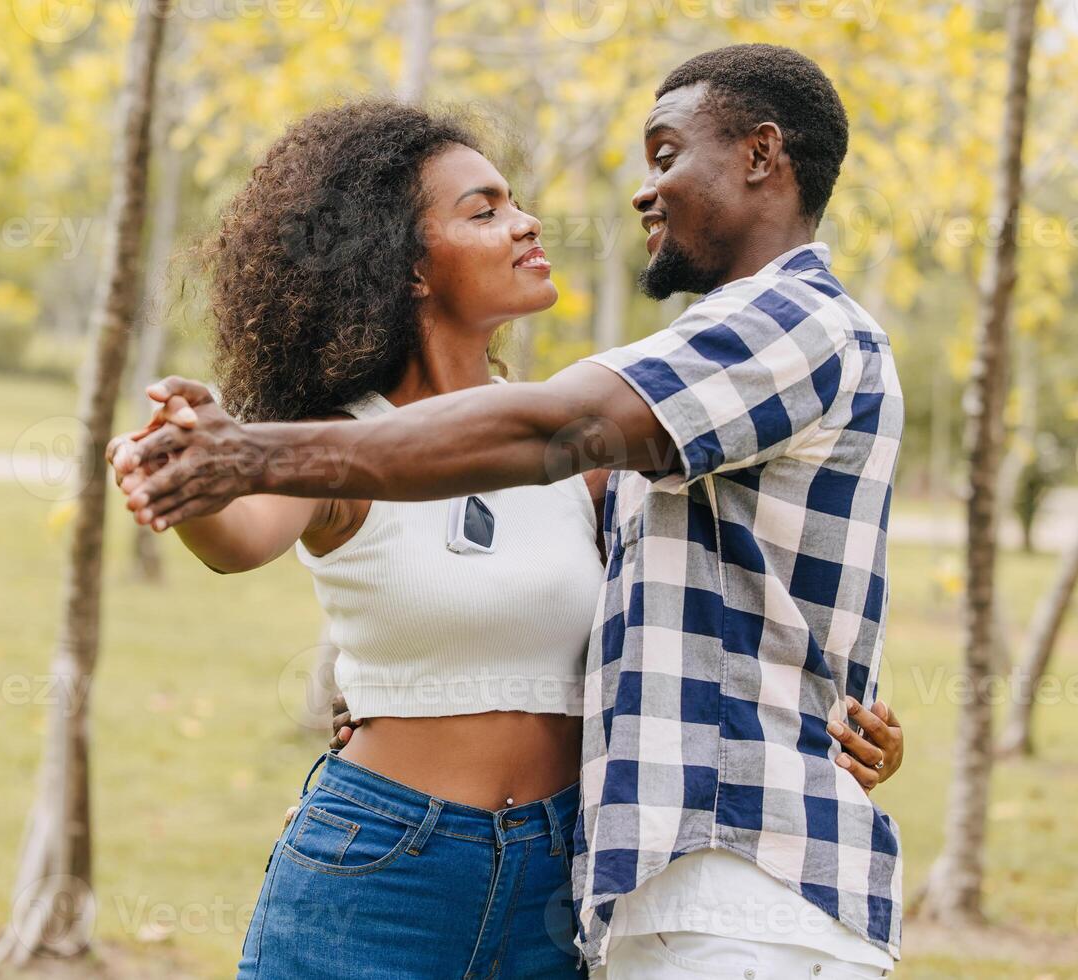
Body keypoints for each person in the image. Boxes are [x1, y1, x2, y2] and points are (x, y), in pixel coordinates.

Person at [115, 44, 906, 980]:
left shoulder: (598, 449)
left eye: (515, 201)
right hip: (385, 859)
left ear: (764, 155)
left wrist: (830, 720)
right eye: (485, 212)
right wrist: (193, 471)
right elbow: (239, 539)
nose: (530, 223)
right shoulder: (343, 437)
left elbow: (723, 581)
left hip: (560, 874)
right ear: (406, 266)